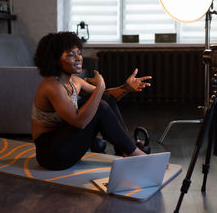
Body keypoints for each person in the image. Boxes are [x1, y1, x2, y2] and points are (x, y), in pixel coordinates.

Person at [32, 31, 152, 170]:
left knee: (103, 99)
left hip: (65, 142)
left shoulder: (74, 81)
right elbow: (80, 122)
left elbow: (107, 96)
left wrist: (126, 88)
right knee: (99, 104)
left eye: (79, 53)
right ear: (54, 59)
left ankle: (126, 150)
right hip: (52, 155)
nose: (78, 58)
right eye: (71, 55)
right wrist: (100, 86)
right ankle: (134, 152)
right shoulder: (52, 86)